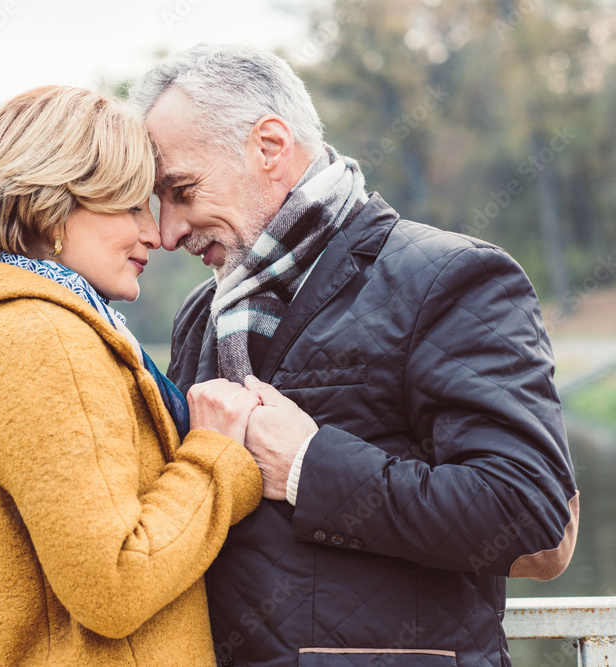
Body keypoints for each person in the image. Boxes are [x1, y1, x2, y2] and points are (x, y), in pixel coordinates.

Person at [130, 44, 579, 667]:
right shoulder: (201, 317)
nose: (168, 230)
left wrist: (308, 466)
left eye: (181, 190)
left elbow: (525, 510)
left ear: (269, 146)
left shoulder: (449, 277)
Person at [0, 85, 266, 666]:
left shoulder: (27, 325)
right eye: (128, 207)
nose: (154, 233)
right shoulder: (43, 339)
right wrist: (216, 455)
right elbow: (114, 585)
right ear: (50, 209)